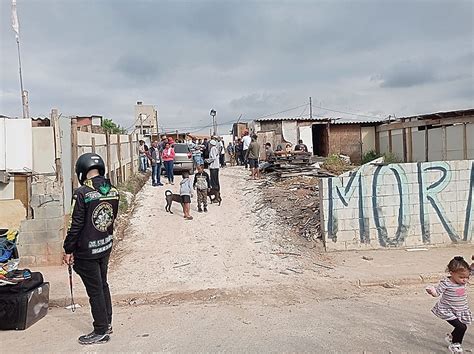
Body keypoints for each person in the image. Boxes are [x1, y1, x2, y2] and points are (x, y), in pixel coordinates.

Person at [63, 153, 119, 345]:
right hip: (105, 245)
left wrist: (68, 249)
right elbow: (112, 218)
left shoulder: (82, 193)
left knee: (95, 290)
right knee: (103, 284)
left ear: (81, 170)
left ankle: (101, 329)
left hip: (87, 251)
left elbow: (75, 224)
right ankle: (107, 322)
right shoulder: (114, 191)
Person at [426, 256, 472, 353]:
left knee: (461, 325)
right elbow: (437, 293)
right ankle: (455, 345)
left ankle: (452, 337)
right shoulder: (446, 283)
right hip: (447, 310)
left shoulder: (462, 280)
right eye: (462, 277)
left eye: (467, 277)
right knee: (462, 327)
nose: (465, 280)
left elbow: (471, 269)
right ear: (451, 273)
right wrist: (432, 291)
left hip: (460, 309)